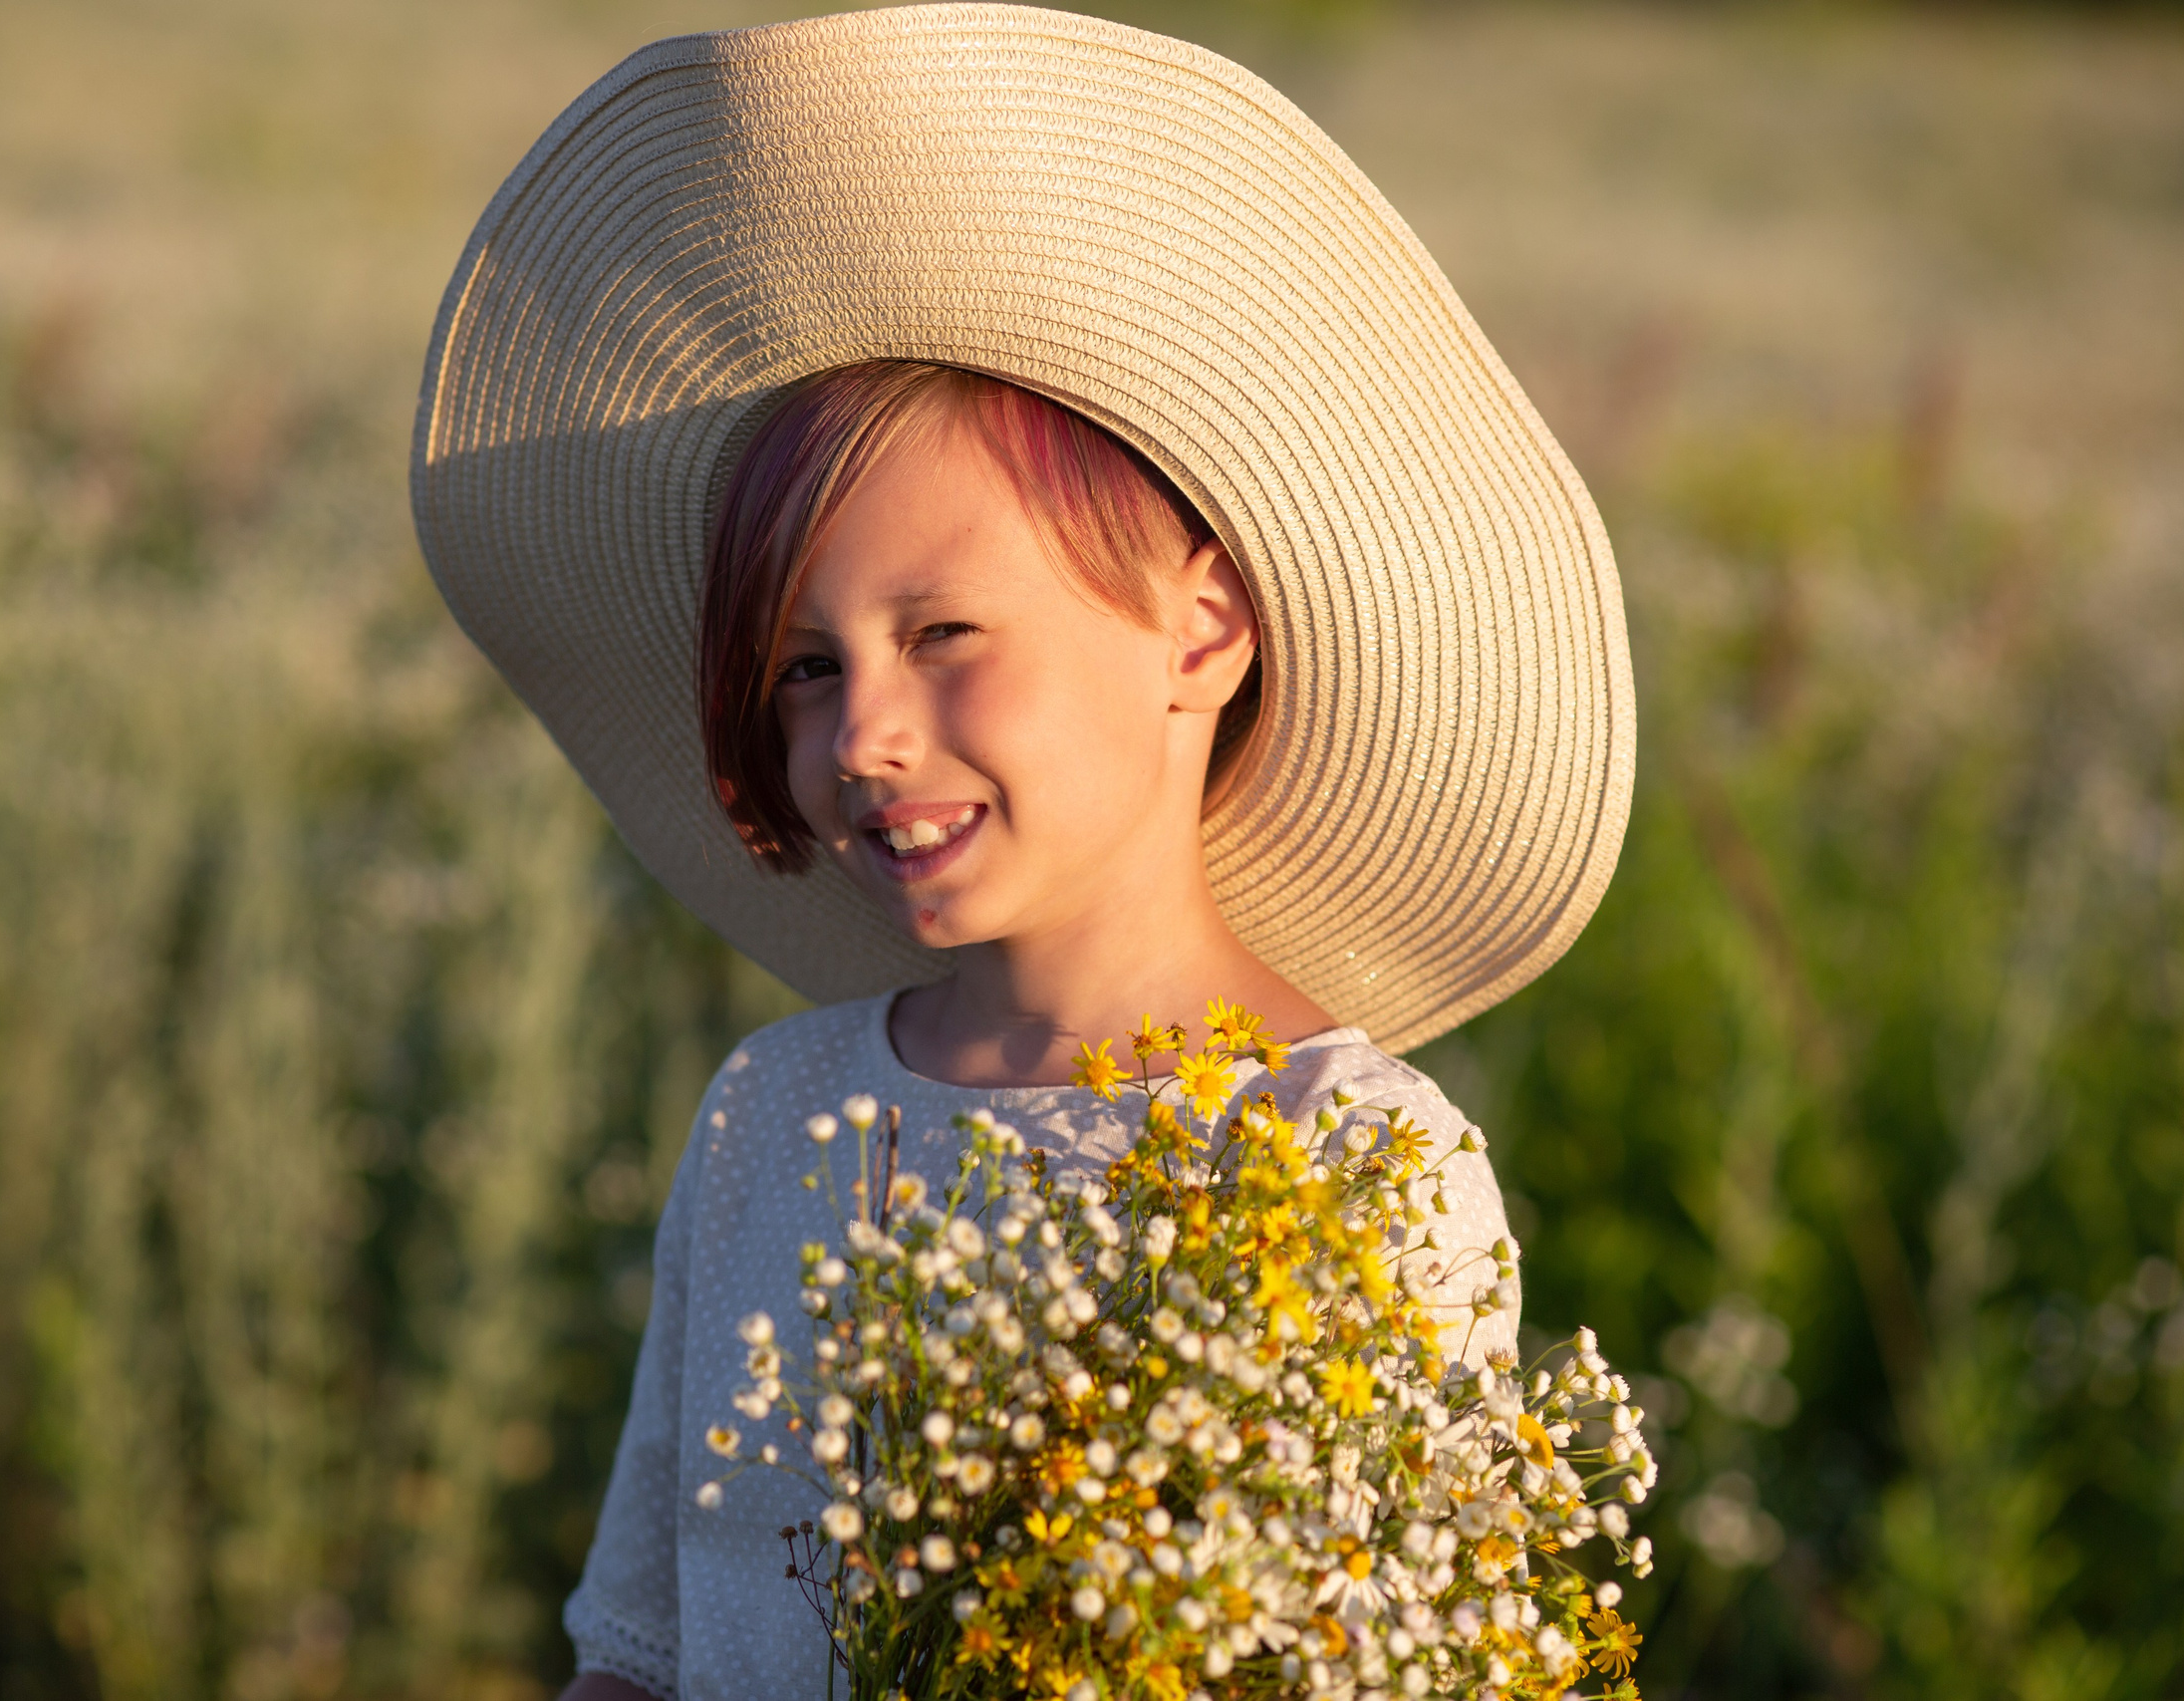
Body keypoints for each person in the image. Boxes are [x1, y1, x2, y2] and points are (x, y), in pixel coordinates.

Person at [410, 9, 1634, 1699]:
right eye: (805, 668)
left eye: (945, 634)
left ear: (1200, 635)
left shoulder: (1349, 1166)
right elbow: (642, 1656)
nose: (863, 739)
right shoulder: (779, 1118)